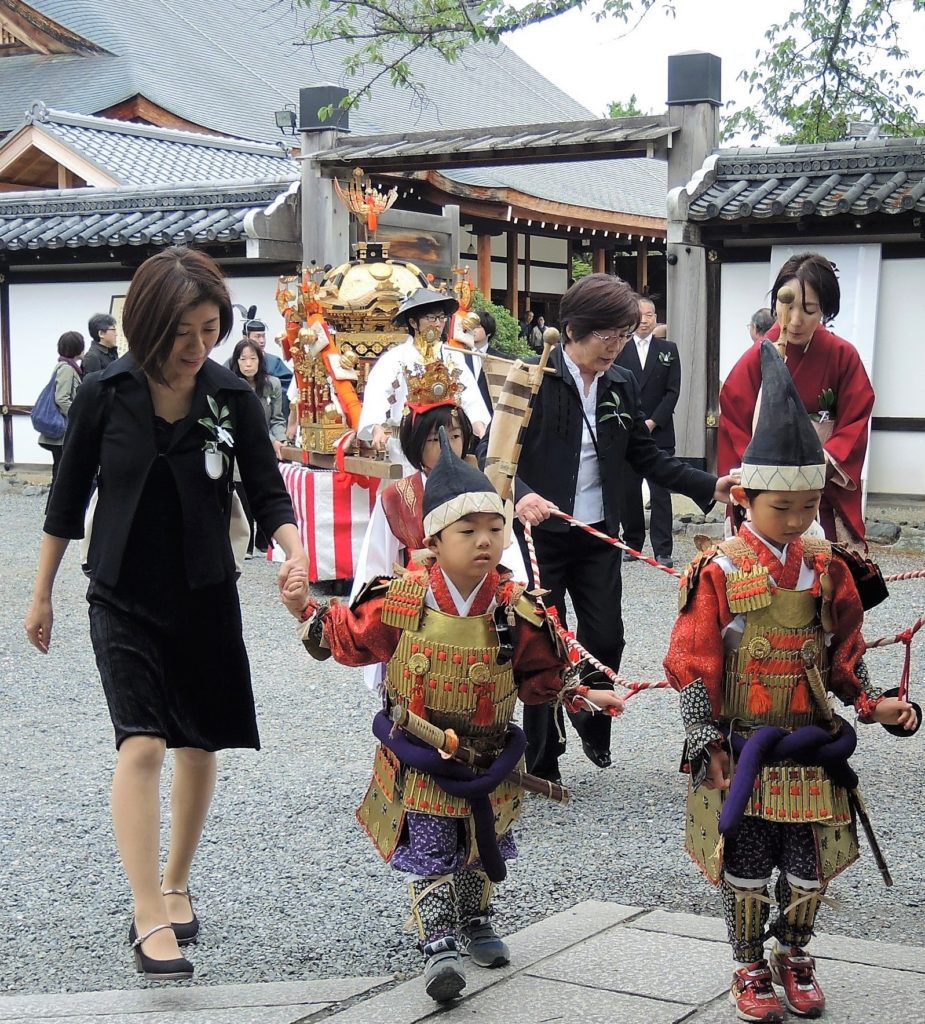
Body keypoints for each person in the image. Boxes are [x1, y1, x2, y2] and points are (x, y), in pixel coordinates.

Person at [24, 246, 307, 982]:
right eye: (182, 332)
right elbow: (66, 501)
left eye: (209, 328)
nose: (196, 346)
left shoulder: (229, 395)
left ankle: (177, 881)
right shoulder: (103, 392)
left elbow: (267, 490)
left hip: (205, 587)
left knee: (197, 741)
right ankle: (148, 912)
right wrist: (41, 590)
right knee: (143, 742)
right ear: (148, 327)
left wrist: (293, 551)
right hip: (119, 589)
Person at [282, 431, 622, 1003]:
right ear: (435, 539)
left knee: (480, 838)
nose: (485, 542)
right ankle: (437, 942)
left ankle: (474, 920)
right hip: (422, 756)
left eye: (495, 528)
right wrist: (306, 610)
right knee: (436, 844)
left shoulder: (513, 605)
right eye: (469, 531)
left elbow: (543, 670)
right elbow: (352, 636)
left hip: (489, 751)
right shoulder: (404, 596)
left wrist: (582, 694)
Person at [665, 341, 918, 1023]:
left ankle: (793, 953)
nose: (800, 519)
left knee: (804, 872)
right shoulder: (717, 570)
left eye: (810, 505)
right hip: (745, 743)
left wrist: (874, 703)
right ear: (744, 499)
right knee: (746, 868)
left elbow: (842, 654)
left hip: (808, 745)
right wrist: (700, 736)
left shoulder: (826, 566)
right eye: (784, 507)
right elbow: (691, 659)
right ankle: (747, 965)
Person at [492, 273, 734, 783]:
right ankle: (543, 761)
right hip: (540, 533)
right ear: (576, 329)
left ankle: (588, 714)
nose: (617, 348)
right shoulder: (532, 377)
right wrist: (522, 494)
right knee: (544, 643)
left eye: (624, 336)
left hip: (598, 530)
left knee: (607, 636)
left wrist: (711, 486)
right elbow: (492, 454)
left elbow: (645, 456)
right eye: (609, 337)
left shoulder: (621, 383)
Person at [718, 252, 875, 544]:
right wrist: (759, 472)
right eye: (786, 306)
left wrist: (821, 465)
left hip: (819, 487)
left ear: (825, 310)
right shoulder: (757, 357)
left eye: (810, 309)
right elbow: (734, 419)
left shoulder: (842, 356)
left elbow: (855, 419)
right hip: (767, 492)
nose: (796, 320)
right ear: (775, 302)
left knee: (825, 572)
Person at [357, 288, 490, 470]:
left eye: (442, 317)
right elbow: (378, 393)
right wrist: (376, 428)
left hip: (450, 444)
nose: (438, 323)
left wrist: (481, 430)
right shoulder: (396, 358)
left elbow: (469, 396)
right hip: (406, 444)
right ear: (413, 322)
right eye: (431, 318)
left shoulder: (453, 356)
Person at [615, 296, 681, 568]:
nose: (645, 320)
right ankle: (632, 543)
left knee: (661, 491)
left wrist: (653, 421)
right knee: (628, 491)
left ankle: (663, 548)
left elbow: (673, 391)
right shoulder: (620, 349)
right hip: (628, 431)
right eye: (640, 315)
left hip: (660, 431)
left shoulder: (668, 349)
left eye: (650, 314)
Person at [229, 337, 287, 555]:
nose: (248, 364)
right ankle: (245, 544)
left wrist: (280, 439)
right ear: (236, 361)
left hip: (266, 443)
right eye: (243, 359)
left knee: (265, 488)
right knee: (241, 492)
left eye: (252, 358)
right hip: (237, 444)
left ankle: (266, 541)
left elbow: (278, 418)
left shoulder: (272, 383)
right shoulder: (232, 385)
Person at [36, 330, 84, 501]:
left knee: (60, 471)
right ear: (78, 347)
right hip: (61, 432)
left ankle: (53, 513)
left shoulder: (65, 366)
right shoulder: (67, 369)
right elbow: (61, 398)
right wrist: (77, 416)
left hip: (59, 432)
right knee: (61, 473)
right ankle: (54, 513)